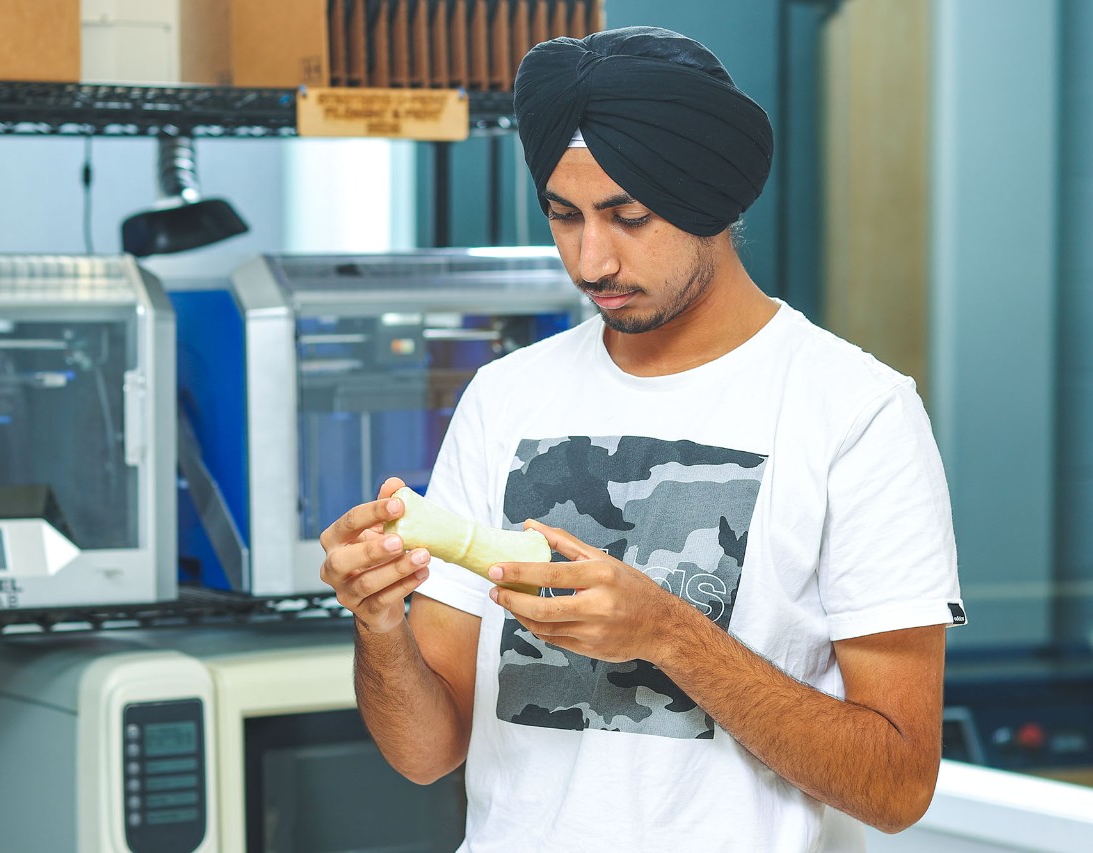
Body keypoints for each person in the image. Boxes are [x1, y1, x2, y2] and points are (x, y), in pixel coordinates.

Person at [319, 26, 965, 851]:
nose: (591, 261)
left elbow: (897, 786)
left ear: (712, 204)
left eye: (629, 217)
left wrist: (668, 633)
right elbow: (424, 753)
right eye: (564, 216)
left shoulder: (856, 412)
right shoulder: (505, 395)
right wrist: (378, 625)